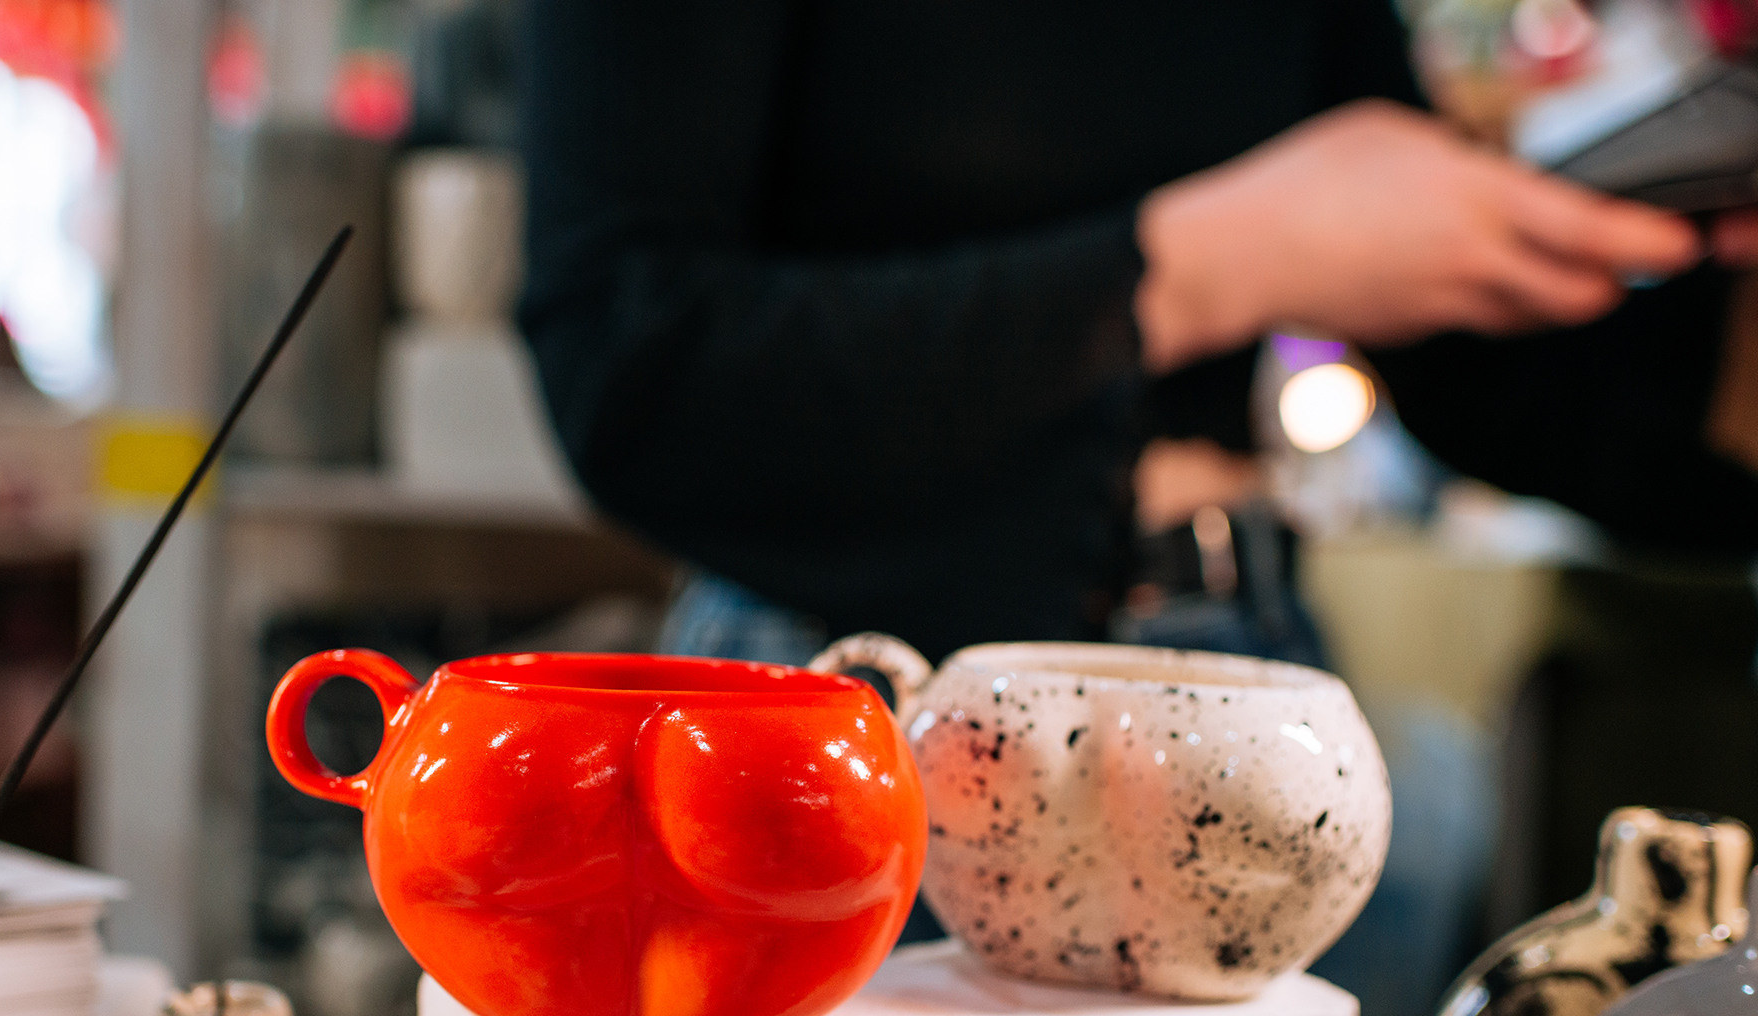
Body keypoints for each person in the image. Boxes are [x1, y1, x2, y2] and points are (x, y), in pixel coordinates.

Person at [516, 1, 1758, 667]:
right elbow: (629, 358)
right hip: (843, 689)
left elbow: (1484, 370)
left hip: (1236, 659)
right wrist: (1205, 262)